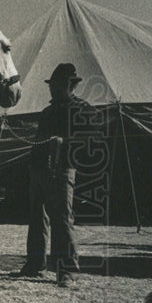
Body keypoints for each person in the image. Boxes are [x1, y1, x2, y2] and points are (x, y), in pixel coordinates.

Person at [16, 62, 93, 286]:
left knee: (61, 220)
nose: (53, 89)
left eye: (58, 85)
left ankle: (67, 270)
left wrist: (64, 142)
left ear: (70, 85)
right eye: (52, 85)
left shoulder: (82, 110)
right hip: (39, 170)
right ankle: (35, 264)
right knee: (37, 219)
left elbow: (89, 142)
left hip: (62, 171)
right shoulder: (47, 112)